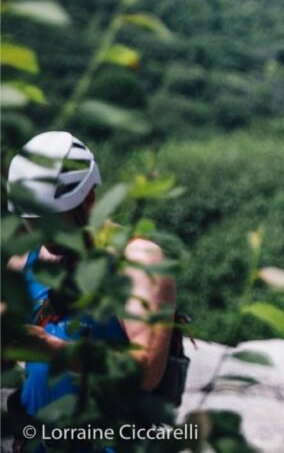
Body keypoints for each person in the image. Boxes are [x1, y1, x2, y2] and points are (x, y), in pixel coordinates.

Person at [5, 131, 177, 419]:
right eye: (34, 220)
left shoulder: (137, 261)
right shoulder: (24, 261)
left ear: (89, 200)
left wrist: (46, 346)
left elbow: (145, 371)